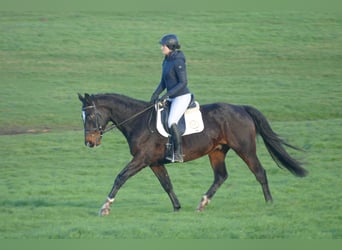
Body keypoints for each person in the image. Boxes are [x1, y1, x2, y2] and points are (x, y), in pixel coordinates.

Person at [150, 34, 192, 163]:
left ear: (170, 46)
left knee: (171, 121)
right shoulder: (166, 60)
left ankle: (178, 153)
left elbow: (183, 83)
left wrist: (165, 96)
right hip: (172, 97)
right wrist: (155, 95)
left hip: (181, 97)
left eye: (163, 45)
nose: (162, 48)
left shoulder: (178, 61)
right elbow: (164, 82)